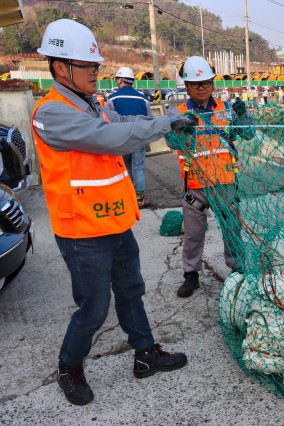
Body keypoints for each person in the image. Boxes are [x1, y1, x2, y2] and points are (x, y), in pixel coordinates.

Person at [31, 19, 195, 406]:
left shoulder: (93, 106)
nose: (96, 73)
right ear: (60, 67)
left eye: (96, 66)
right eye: (89, 67)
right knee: (94, 307)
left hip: (114, 221)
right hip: (81, 231)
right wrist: (164, 123)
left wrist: (166, 122)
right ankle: (69, 366)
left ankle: (144, 353)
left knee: (131, 291)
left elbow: (123, 123)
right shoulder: (50, 113)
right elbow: (108, 138)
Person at [170, 56, 247, 298]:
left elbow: (248, 135)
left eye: (206, 82)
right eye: (196, 84)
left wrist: (244, 118)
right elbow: (170, 140)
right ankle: (191, 275)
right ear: (187, 86)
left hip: (224, 182)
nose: (202, 88)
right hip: (195, 186)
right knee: (193, 233)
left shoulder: (225, 110)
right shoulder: (178, 112)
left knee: (232, 229)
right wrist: (181, 128)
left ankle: (238, 270)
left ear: (213, 83)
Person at [106, 66, 152, 208]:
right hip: (139, 138)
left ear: (120, 80)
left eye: (116, 79)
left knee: (125, 166)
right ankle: (139, 198)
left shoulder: (112, 98)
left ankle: (129, 195)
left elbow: (107, 120)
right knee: (138, 167)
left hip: (122, 139)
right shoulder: (143, 99)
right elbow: (149, 119)